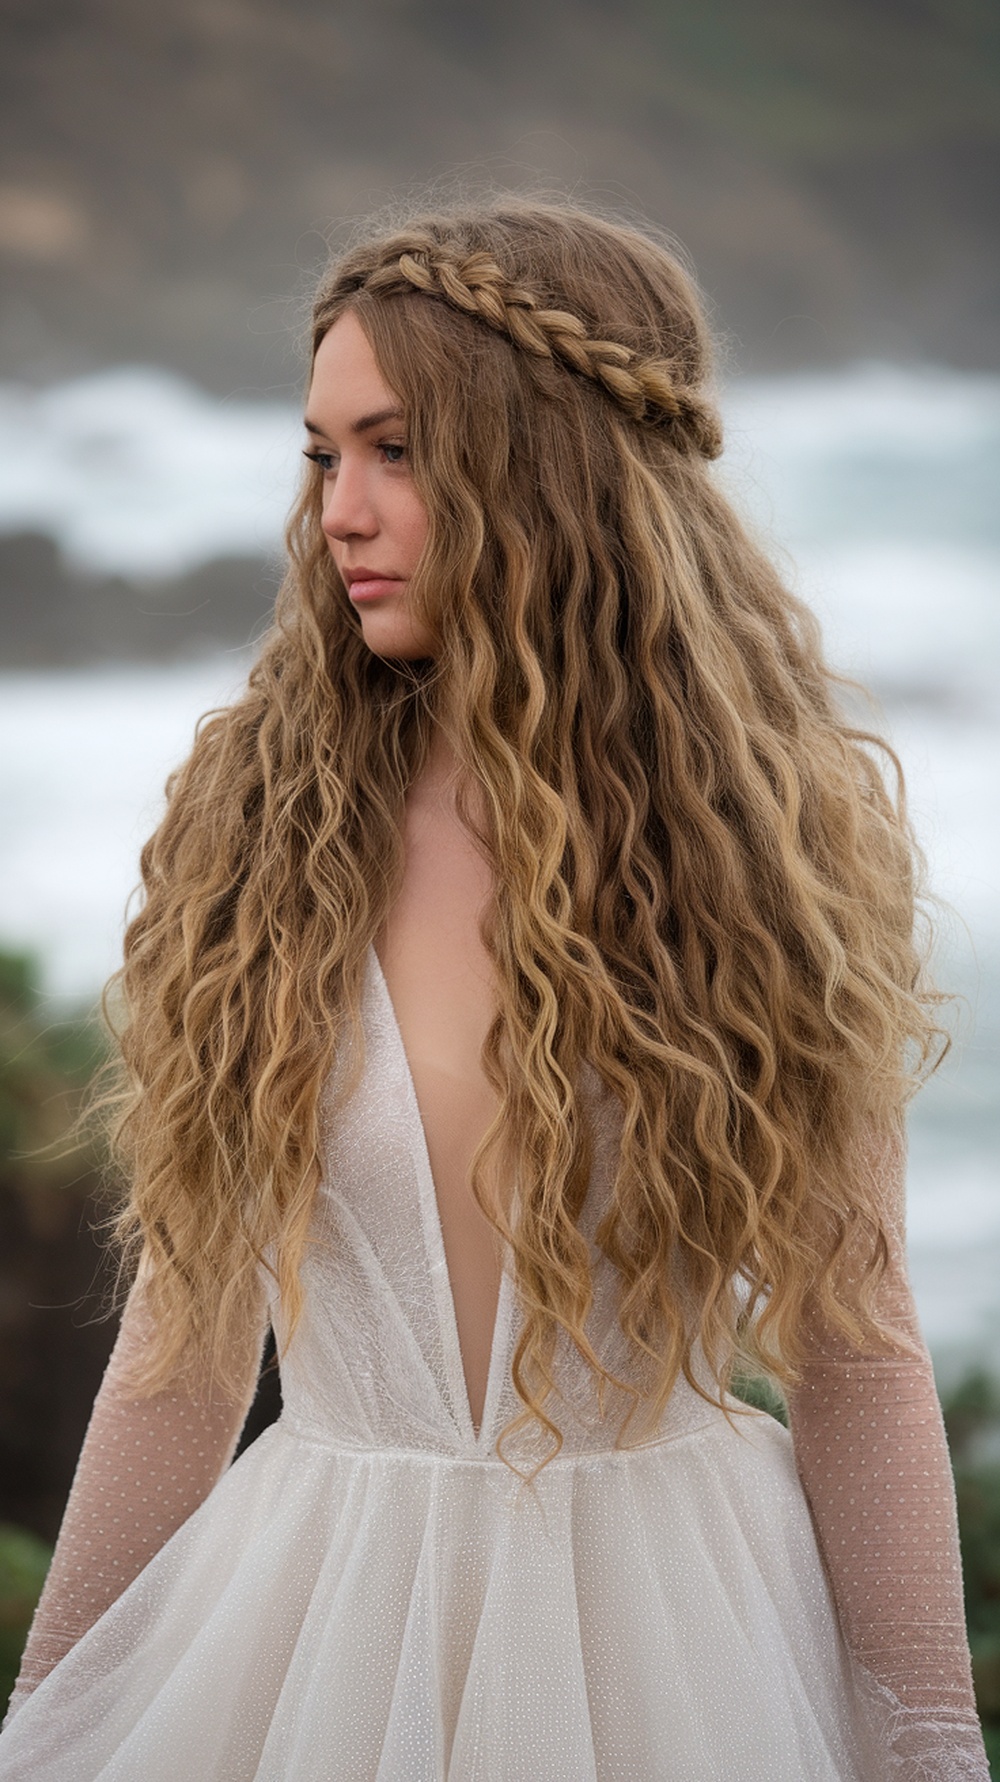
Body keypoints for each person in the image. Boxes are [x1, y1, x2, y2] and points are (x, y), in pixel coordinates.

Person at [0, 199, 988, 1780]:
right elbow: (184, 1348)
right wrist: (42, 1722)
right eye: (325, 455)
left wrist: (931, 1742)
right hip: (312, 1623)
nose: (342, 510)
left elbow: (857, 1349)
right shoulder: (265, 833)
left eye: (396, 448)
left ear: (546, 464)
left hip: (686, 1641)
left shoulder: (760, 858)